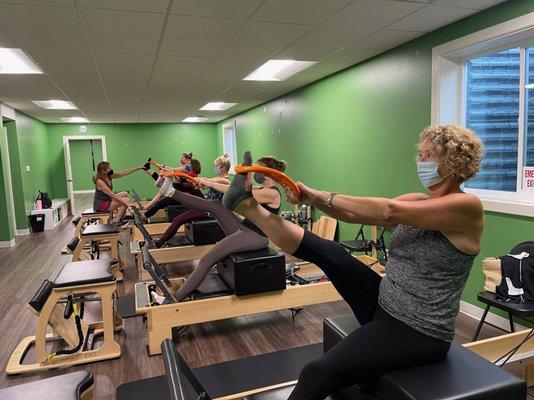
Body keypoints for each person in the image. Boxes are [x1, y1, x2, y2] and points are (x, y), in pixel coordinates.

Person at [222, 124, 484, 400]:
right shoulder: (418, 200)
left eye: (429, 155)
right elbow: (350, 216)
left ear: (453, 163)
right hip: (385, 300)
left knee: (316, 373)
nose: (421, 161)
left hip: (418, 330)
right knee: (330, 252)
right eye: (420, 154)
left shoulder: (467, 207)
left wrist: (320, 195)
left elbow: (387, 212)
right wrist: (311, 197)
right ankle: (247, 206)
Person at [152, 155, 285, 303]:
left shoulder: (272, 193)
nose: (254, 172)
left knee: (207, 259)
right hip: (244, 228)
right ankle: (170, 192)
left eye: (257, 168)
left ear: (268, 173)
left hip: (256, 236)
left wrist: (209, 183)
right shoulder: (261, 188)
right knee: (216, 205)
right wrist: (206, 181)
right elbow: (234, 189)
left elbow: (236, 192)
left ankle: (172, 300)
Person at [154, 154, 232, 248]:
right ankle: (173, 187)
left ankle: (157, 245)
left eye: (216, 166)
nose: (215, 168)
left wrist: (204, 181)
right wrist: (195, 180)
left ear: (223, 168)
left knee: (177, 220)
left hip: (210, 211)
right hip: (206, 206)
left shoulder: (225, 181)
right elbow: (207, 180)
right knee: (178, 218)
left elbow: (209, 180)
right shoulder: (217, 178)